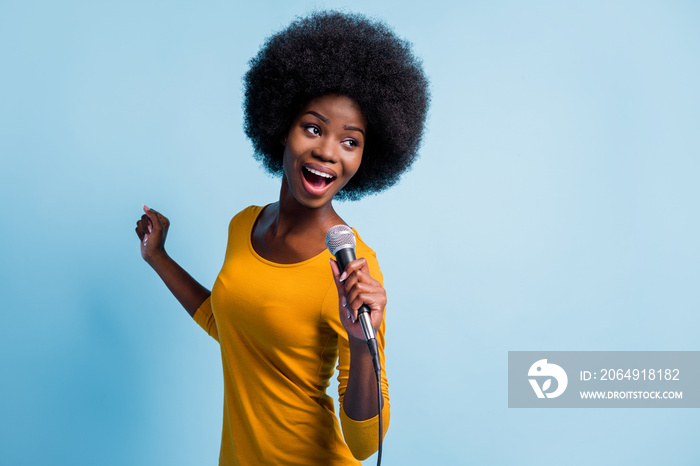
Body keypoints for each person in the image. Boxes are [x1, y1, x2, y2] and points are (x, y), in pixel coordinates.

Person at [135, 10, 429, 465]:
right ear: (281, 128)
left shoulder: (354, 266)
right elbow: (231, 325)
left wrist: (357, 339)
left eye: (350, 141)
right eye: (313, 128)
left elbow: (367, 443)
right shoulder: (244, 224)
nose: (328, 152)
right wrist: (158, 257)